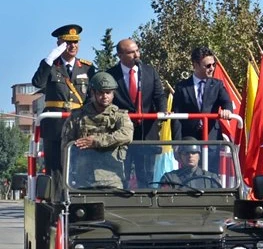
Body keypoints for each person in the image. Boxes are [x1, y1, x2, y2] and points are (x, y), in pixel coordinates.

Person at [102, 39, 167, 187]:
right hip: (120, 132)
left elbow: (159, 96)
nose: (137, 55)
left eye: (137, 50)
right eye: (131, 52)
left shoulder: (149, 71)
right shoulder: (111, 75)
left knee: (147, 177)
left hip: (146, 132)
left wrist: (163, 111)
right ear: (120, 55)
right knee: (121, 175)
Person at [33, 24, 94, 180]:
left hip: (78, 123)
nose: (73, 46)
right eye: (68, 42)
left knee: (78, 166)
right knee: (54, 167)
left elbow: (92, 96)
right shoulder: (51, 65)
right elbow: (38, 83)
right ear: (59, 43)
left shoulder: (87, 68)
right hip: (55, 125)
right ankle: (56, 195)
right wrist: (49, 59)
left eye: (75, 42)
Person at [60, 71, 134, 189]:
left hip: (112, 178)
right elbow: (66, 148)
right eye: (100, 92)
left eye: (108, 92)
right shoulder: (77, 116)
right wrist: (68, 176)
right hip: (82, 178)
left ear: (113, 94)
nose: (105, 96)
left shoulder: (120, 116)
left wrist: (95, 141)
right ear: (93, 93)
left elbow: (127, 135)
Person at [172, 46, 234, 143]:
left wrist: (227, 111)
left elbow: (227, 102)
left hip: (212, 139)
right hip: (189, 140)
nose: (212, 68)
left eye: (214, 64)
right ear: (196, 65)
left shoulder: (217, 85)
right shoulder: (182, 87)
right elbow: (176, 117)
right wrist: (176, 144)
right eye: (208, 66)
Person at [158, 138, 222, 189]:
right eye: (186, 153)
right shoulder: (169, 178)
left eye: (193, 152)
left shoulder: (211, 179)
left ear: (199, 156)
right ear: (180, 156)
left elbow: (219, 199)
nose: (190, 156)